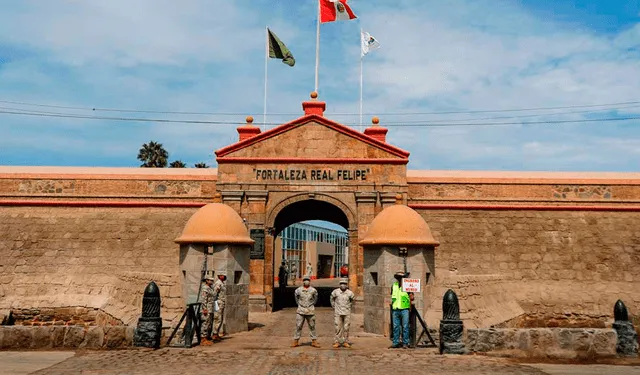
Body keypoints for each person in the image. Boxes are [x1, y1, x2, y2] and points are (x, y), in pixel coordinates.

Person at [292, 275, 320, 348]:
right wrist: (300, 305)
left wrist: (311, 305)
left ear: (309, 281)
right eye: (305, 280)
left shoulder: (313, 290)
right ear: (303, 281)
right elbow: (296, 298)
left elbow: (315, 299)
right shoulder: (298, 290)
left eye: (307, 280)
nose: (306, 281)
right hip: (301, 310)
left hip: (310, 310)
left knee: (312, 326)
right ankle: (296, 340)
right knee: (298, 326)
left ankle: (314, 341)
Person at [330, 278, 355, 348]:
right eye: (341, 284)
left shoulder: (350, 293)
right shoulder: (335, 292)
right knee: (337, 327)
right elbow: (331, 298)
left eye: (344, 284)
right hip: (338, 312)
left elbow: (352, 300)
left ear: (346, 285)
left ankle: (345, 341)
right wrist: (334, 306)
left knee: (346, 327)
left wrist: (349, 306)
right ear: (339, 284)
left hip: (347, 312)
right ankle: (337, 341)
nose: (343, 285)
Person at [390, 271, 411, 349]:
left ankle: (405, 342)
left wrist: (411, 296)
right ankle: (396, 342)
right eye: (398, 277)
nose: (400, 279)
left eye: (401, 277)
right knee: (396, 327)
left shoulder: (407, 286)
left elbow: (412, 297)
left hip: (404, 309)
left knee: (405, 327)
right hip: (396, 309)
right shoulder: (394, 286)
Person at [199, 275, 215, 346]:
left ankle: (206, 337)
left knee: (208, 323)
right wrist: (204, 308)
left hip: (210, 308)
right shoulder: (205, 288)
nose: (212, 281)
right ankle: (203, 339)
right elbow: (203, 299)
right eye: (210, 280)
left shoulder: (210, 288)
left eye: (212, 280)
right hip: (206, 309)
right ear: (207, 280)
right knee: (205, 323)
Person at [212, 271, 227, 341]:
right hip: (218, 303)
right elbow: (214, 294)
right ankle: (214, 334)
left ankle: (216, 333)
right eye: (223, 275)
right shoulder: (218, 283)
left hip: (221, 303)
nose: (224, 277)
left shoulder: (222, 283)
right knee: (217, 318)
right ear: (220, 276)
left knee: (220, 318)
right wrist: (215, 304)